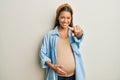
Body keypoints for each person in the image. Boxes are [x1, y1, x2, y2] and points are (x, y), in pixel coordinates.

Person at [39, 3, 85, 80]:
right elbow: (42, 54)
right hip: (58, 76)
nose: (65, 21)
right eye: (62, 17)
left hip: (74, 76)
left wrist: (79, 33)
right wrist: (53, 66)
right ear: (58, 18)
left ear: (71, 19)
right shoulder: (50, 35)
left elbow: (79, 38)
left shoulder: (73, 33)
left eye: (68, 18)